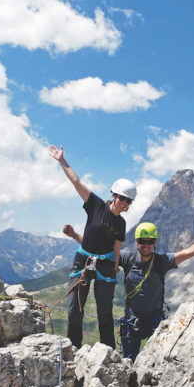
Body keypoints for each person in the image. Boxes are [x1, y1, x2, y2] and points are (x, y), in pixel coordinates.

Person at [64, 221, 194, 359]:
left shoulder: (162, 261)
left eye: (149, 241)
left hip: (155, 320)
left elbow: (189, 252)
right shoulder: (128, 258)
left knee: (159, 362)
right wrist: (75, 236)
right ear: (137, 242)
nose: (146, 245)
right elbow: (100, 251)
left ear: (154, 243)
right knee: (129, 363)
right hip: (133, 322)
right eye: (142, 241)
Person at [49, 144, 136, 349]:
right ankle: (74, 350)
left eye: (128, 201)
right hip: (83, 260)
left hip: (105, 265)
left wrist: (115, 268)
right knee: (74, 310)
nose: (124, 203)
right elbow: (76, 182)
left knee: (105, 313)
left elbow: (116, 248)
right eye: (122, 198)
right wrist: (62, 160)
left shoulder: (121, 224)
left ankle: (108, 354)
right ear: (114, 195)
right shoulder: (96, 205)